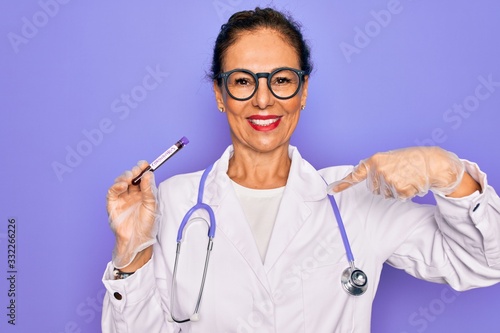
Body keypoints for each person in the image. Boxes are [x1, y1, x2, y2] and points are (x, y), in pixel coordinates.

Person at [101, 7, 500, 332]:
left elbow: (487, 262)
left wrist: (445, 169)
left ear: (304, 91)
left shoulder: (358, 198)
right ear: (220, 95)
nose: (263, 99)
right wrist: (131, 254)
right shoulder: (171, 202)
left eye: (281, 80)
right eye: (242, 81)